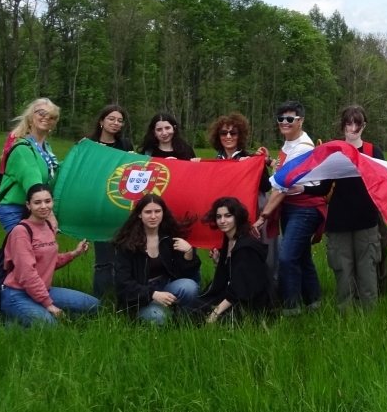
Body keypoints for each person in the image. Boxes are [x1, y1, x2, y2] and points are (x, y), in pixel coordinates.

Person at [258, 101, 330, 314]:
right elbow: (284, 169)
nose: (284, 123)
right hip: (291, 208)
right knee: (302, 256)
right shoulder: (290, 144)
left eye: (290, 119)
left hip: (306, 208)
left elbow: (281, 186)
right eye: (281, 119)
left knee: (287, 257)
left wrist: (263, 216)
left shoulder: (301, 148)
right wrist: (269, 160)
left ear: (301, 121)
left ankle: (290, 308)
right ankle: (313, 303)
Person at [0, 183, 99, 326]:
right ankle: (3, 321)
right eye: (37, 202)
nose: (44, 206)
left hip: (44, 290)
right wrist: (48, 304)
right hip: (18, 293)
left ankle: (26, 317)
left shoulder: (48, 226)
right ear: (28, 205)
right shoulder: (21, 231)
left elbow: (48, 261)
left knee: (93, 305)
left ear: (53, 202)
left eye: (47, 201)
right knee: (51, 328)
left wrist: (74, 253)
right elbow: (26, 273)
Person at [324, 105, 387, 310]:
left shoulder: (373, 152)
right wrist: (298, 185)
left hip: (367, 222)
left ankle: (369, 317)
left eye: (357, 123)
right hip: (338, 222)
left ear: (364, 126)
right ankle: (346, 316)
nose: (352, 128)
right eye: (348, 123)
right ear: (342, 126)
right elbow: (322, 187)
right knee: (343, 270)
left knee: (368, 270)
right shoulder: (332, 152)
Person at [210, 112, 277, 294]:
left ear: (241, 136)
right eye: (224, 133)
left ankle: (267, 293)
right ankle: (232, 292)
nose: (229, 137)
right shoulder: (213, 162)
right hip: (228, 215)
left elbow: (266, 185)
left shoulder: (250, 158)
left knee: (262, 253)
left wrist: (256, 167)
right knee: (231, 254)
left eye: (234, 133)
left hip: (254, 211)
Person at [109, 193, 202, 324]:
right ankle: (158, 313)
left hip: (165, 287)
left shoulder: (168, 238)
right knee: (159, 317)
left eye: (157, 211)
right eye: (148, 212)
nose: (153, 216)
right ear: (140, 214)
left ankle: (184, 317)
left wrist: (188, 253)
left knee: (189, 286)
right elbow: (123, 284)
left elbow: (182, 274)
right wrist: (152, 294)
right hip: (140, 296)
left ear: (163, 213)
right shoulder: (127, 244)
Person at [192, 197, 273, 323]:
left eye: (228, 216)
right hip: (230, 294)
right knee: (186, 311)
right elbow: (233, 273)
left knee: (199, 318)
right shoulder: (229, 240)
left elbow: (242, 286)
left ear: (237, 217)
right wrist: (220, 262)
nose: (222, 221)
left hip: (247, 302)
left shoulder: (246, 247)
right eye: (218, 216)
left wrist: (215, 313)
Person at [0, 98, 62, 233]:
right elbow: (32, 179)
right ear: (31, 117)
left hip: (35, 207)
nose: (46, 117)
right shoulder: (22, 148)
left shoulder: (45, 147)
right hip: (15, 209)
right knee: (25, 251)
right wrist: (50, 214)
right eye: (41, 112)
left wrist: (80, 153)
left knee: (38, 251)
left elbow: (56, 172)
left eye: (52, 116)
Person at [86, 103, 132, 295]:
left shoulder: (125, 145)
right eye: (111, 119)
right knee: (104, 258)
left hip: (120, 205)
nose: (116, 123)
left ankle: (122, 295)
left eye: (120, 121)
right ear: (101, 121)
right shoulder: (88, 145)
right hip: (98, 207)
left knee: (124, 256)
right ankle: (101, 299)